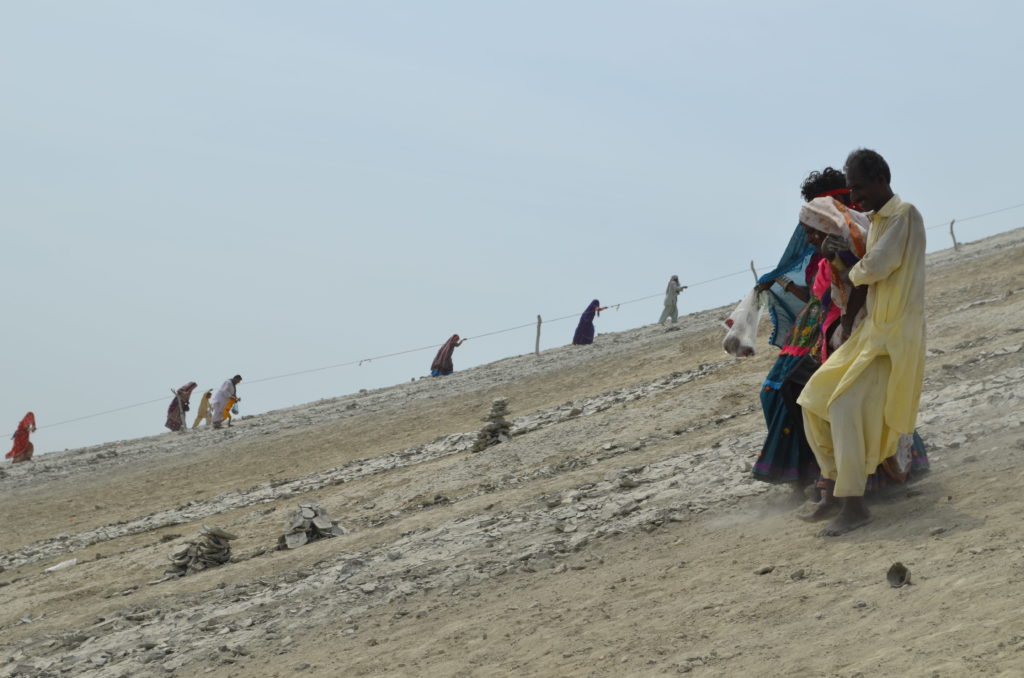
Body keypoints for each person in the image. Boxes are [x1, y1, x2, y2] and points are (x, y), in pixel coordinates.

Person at [798, 149, 926, 536]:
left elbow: (875, 267)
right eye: (851, 189)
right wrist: (840, 261)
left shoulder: (904, 216)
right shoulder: (875, 223)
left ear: (881, 180)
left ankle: (855, 506)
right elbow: (862, 272)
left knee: (843, 405)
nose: (854, 197)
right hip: (871, 333)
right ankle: (835, 489)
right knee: (813, 399)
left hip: (895, 337)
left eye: (858, 187)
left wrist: (843, 258)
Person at [751, 168, 852, 491]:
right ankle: (806, 472)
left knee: (803, 392)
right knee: (775, 391)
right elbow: (813, 293)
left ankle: (828, 475)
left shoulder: (851, 238)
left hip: (835, 326)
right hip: (810, 326)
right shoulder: (816, 246)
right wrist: (780, 284)